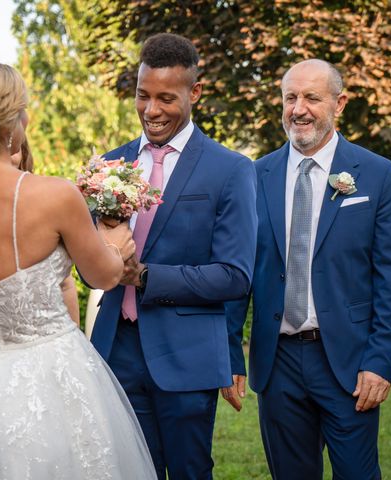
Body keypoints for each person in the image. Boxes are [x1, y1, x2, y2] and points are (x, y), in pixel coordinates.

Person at [0, 58, 156, 479]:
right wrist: (113, 245)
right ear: (10, 123)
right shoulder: (52, 195)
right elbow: (102, 276)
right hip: (53, 374)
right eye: (22, 108)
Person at [227, 59, 391, 479]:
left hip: (348, 362)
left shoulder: (379, 176)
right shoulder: (255, 175)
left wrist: (380, 362)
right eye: (290, 97)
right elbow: (240, 271)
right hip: (278, 363)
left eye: (312, 97)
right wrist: (230, 353)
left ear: (339, 103)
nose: (299, 108)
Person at [90, 33, 257, 479]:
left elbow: (234, 276)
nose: (151, 110)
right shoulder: (109, 165)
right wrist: (98, 262)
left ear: (194, 93)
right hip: (116, 349)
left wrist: (144, 277)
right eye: (143, 96)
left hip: (186, 357)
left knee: (188, 472)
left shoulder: (231, 170)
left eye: (166, 98)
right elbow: (89, 271)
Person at [11, 135, 80, 325]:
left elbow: (65, 284)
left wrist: (74, 339)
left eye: (12, 146)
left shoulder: (47, 204)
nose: (5, 155)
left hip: (52, 332)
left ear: (23, 154)